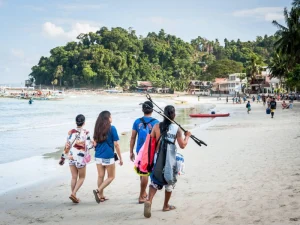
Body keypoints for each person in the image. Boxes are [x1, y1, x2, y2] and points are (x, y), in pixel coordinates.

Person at [144, 105, 191, 218]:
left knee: (155, 181)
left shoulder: (156, 126)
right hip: (170, 159)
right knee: (169, 180)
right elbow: (182, 145)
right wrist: (187, 136)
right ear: (173, 115)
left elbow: (151, 142)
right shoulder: (176, 129)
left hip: (157, 158)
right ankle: (165, 205)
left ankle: (149, 200)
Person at [59, 114, 93, 203]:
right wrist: (94, 143)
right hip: (80, 158)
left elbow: (67, 145)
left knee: (74, 177)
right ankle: (73, 194)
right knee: (82, 177)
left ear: (76, 122)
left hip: (70, 157)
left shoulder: (71, 132)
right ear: (84, 122)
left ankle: (74, 196)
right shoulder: (86, 132)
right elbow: (89, 146)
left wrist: (63, 157)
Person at [130, 101, 159, 203]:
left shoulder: (137, 122)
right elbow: (158, 139)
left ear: (142, 110)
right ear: (152, 110)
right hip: (150, 151)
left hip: (140, 150)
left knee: (142, 173)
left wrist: (131, 151)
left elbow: (133, 137)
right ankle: (141, 196)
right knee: (145, 173)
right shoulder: (156, 122)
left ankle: (143, 192)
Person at [93, 111, 123, 203]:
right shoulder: (112, 128)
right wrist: (120, 157)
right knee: (111, 176)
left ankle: (101, 196)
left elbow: (94, 143)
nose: (111, 118)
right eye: (111, 116)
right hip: (108, 156)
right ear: (108, 118)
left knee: (100, 176)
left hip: (98, 155)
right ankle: (98, 191)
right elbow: (116, 144)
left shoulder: (97, 128)